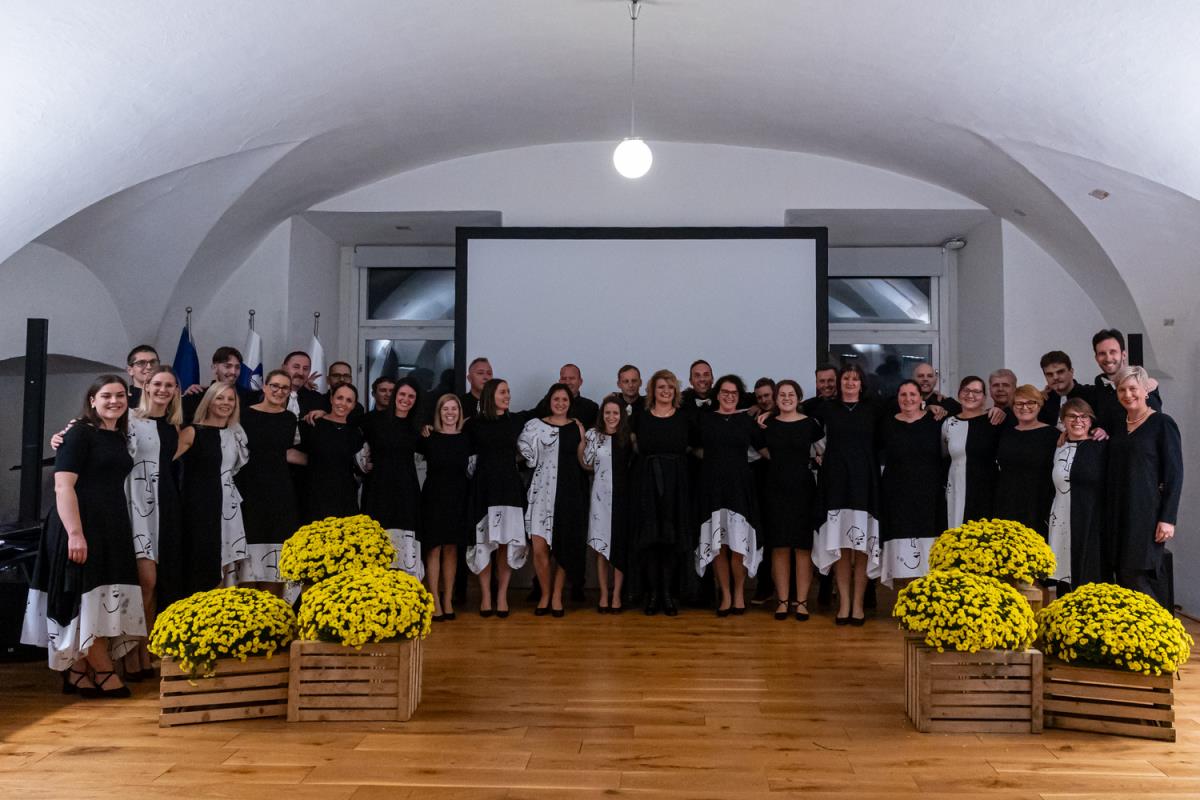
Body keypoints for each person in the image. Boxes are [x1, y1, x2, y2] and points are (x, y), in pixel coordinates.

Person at [21, 375, 145, 698]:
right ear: (92, 400)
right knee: (82, 599)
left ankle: (77, 671)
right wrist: (75, 534)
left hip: (108, 527)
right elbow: (63, 486)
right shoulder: (78, 433)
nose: (114, 401)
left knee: (97, 602)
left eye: (120, 395)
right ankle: (102, 671)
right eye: (106, 396)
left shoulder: (117, 436)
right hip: (78, 525)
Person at [123, 366, 184, 677]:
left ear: (175, 391)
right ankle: (130, 656)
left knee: (157, 584)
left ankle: (145, 654)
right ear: (146, 386)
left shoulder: (173, 426)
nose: (163, 390)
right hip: (136, 502)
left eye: (169, 385)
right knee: (144, 581)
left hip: (165, 504)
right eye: (157, 384)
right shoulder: (129, 418)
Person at [810, 363, 882, 625]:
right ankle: (844, 604)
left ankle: (858, 604)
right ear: (839, 383)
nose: (850, 383)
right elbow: (800, 423)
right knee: (841, 543)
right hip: (836, 482)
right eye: (846, 379)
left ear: (861, 384)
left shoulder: (873, 409)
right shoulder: (826, 409)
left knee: (861, 545)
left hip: (864, 481)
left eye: (855, 379)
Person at [1105, 366, 1182, 606]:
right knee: (1122, 573)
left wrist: (1168, 518)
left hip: (1147, 513)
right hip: (1118, 511)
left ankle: (1161, 626)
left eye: (1133, 388)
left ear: (1145, 391)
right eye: (1122, 390)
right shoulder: (1118, 425)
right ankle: (1137, 627)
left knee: (1137, 573)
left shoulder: (1162, 423)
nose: (1127, 395)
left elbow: (1174, 474)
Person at [752, 379, 823, 621]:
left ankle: (801, 602)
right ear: (776, 398)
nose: (786, 398)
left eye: (791, 394)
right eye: (781, 394)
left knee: (803, 548)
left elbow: (821, 451)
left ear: (798, 397)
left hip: (804, 491)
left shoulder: (811, 424)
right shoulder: (767, 424)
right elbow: (762, 452)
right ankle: (782, 601)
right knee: (779, 546)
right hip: (775, 490)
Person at [694, 375, 763, 616]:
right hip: (712, 488)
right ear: (717, 394)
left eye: (734, 393)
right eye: (725, 392)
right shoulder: (705, 420)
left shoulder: (746, 421)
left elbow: (765, 449)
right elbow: (692, 447)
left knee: (737, 544)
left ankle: (739, 593)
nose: (729, 396)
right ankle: (725, 595)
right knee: (718, 545)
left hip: (739, 488)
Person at [519, 383, 589, 616]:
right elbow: (524, 455)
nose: (560, 403)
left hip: (569, 493)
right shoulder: (534, 426)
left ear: (570, 403)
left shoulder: (577, 427)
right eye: (556, 399)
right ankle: (545, 594)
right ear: (549, 401)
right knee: (539, 547)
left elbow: (583, 460)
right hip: (541, 492)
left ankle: (557, 595)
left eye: (565, 400)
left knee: (564, 547)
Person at [233, 369, 304, 595]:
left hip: (280, 491)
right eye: (275, 386)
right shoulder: (244, 414)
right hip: (249, 490)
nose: (279, 391)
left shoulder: (289, 418)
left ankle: (272, 611)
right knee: (248, 554)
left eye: (285, 388)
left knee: (277, 553)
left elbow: (286, 453)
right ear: (265, 387)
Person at [465, 378, 531, 617]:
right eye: (503, 392)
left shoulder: (515, 421)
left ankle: (502, 596)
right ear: (491, 395)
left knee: (505, 541)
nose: (508, 395)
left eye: (508, 391)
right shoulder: (474, 424)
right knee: (483, 541)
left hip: (509, 487)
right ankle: (485, 596)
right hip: (483, 488)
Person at [177, 382, 249, 595]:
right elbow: (163, 462)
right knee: (203, 562)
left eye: (230, 399)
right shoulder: (192, 432)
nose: (226, 403)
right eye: (220, 398)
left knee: (228, 565)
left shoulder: (235, 433)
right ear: (209, 401)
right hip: (200, 507)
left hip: (229, 506)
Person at [631, 369, 692, 616]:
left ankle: (667, 594)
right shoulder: (641, 417)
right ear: (652, 391)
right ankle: (653, 594)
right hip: (647, 483)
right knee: (650, 538)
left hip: (676, 484)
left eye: (670, 387)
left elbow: (693, 448)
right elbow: (634, 446)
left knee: (670, 538)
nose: (665, 391)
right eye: (661, 387)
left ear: (675, 390)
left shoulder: (684, 417)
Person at [878, 380, 946, 589]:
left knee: (927, 555)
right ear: (897, 398)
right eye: (903, 395)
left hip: (929, 497)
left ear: (921, 398)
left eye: (912, 394)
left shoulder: (936, 421)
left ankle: (926, 599)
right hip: (896, 497)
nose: (908, 399)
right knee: (902, 555)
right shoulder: (887, 424)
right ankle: (906, 600)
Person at [360, 379, 424, 577]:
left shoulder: (417, 426)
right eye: (402, 394)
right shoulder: (373, 420)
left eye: (411, 396)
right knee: (378, 540)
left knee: (405, 541)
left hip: (406, 489)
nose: (406, 399)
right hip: (378, 488)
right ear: (395, 395)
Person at [418, 394, 472, 621]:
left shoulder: (467, 439)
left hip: (458, 497)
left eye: (454, 408)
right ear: (439, 413)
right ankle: (434, 600)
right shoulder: (428, 438)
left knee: (452, 549)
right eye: (445, 409)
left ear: (459, 413)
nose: (450, 413)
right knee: (434, 548)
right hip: (434, 497)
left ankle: (448, 599)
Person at [1048, 398, 1108, 592]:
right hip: (1061, 516)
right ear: (1063, 421)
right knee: (1063, 576)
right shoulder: (1058, 446)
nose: (1078, 421)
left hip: (1090, 518)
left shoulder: (1101, 447)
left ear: (1091, 421)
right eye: (1072, 416)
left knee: (1087, 574)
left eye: (1083, 416)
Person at [582, 395, 635, 614]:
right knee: (601, 548)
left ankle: (617, 595)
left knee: (620, 547)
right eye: (607, 413)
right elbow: (586, 463)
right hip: (600, 498)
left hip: (623, 497)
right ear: (601, 414)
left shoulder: (628, 438)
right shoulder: (593, 435)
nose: (611, 417)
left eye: (615, 413)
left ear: (621, 415)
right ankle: (603, 594)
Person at [994, 385, 1061, 537]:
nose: (1025, 407)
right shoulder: (1006, 433)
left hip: (1038, 503)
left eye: (1031, 402)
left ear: (1039, 405)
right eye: (1019, 403)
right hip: (1007, 501)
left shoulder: (1053, 435)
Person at [299, 383, 366, 522]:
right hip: (314, 495)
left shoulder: (356, 433)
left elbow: (359, 464)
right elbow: (294, 453)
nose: (343, 403)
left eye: (349, 400)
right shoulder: (312, 424)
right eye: (339, 398)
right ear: (331, 398)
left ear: (354, 405)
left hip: (345, 497)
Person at [942, 375, 1003, 528]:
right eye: (966, 390)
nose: (970, 395)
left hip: (985, 489)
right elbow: (943, 454)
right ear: (959, 394)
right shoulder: (949, 424)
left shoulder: (994, 420)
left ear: (984, 397)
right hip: (956, 486)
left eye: (976, 392)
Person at [1090, 329, 1163, 434]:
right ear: (1096, 358)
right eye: (1102, 353)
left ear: (1123, 355)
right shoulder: (1099, 385)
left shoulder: (1144, 387)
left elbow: (1155, 429)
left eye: (1113, 352)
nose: (1108, 358)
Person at [182, 347, 253, 423]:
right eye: (227, 366)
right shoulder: (196, 395)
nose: (233, 372)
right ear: (214, 368)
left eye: (237, 367)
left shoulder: (250, 397)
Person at [534, 364, 599, 428]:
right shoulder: (546, 403)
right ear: (559, 381)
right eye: (564, 378)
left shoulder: (591, 408)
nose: (567, 382)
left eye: (572, 378)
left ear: (580, 381)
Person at [1037, 350, 1090, 428]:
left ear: (1071, 372)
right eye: (1049, 374)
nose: (1055, 377)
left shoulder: (1091, 394)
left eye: (1060, 372)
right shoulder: (1042, 401)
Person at [124, 345, 160, 409]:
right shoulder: (123, 398)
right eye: (141, 363)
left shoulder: (169, 396)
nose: (149, 367)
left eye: (153, 362)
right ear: (130, 370)